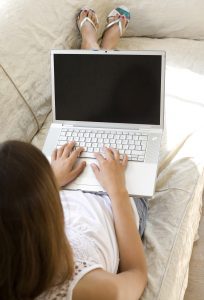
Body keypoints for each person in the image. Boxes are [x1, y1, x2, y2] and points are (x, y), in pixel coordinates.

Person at [0, 7, 148, 300]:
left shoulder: (16, 250)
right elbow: (137, 274)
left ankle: (94, 47)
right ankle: (102, 47)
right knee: (123, 111)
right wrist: (118, 189)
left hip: (67, 188)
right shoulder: (87, 289)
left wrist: (49, 183)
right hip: (115, 204)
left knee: (85, 119)